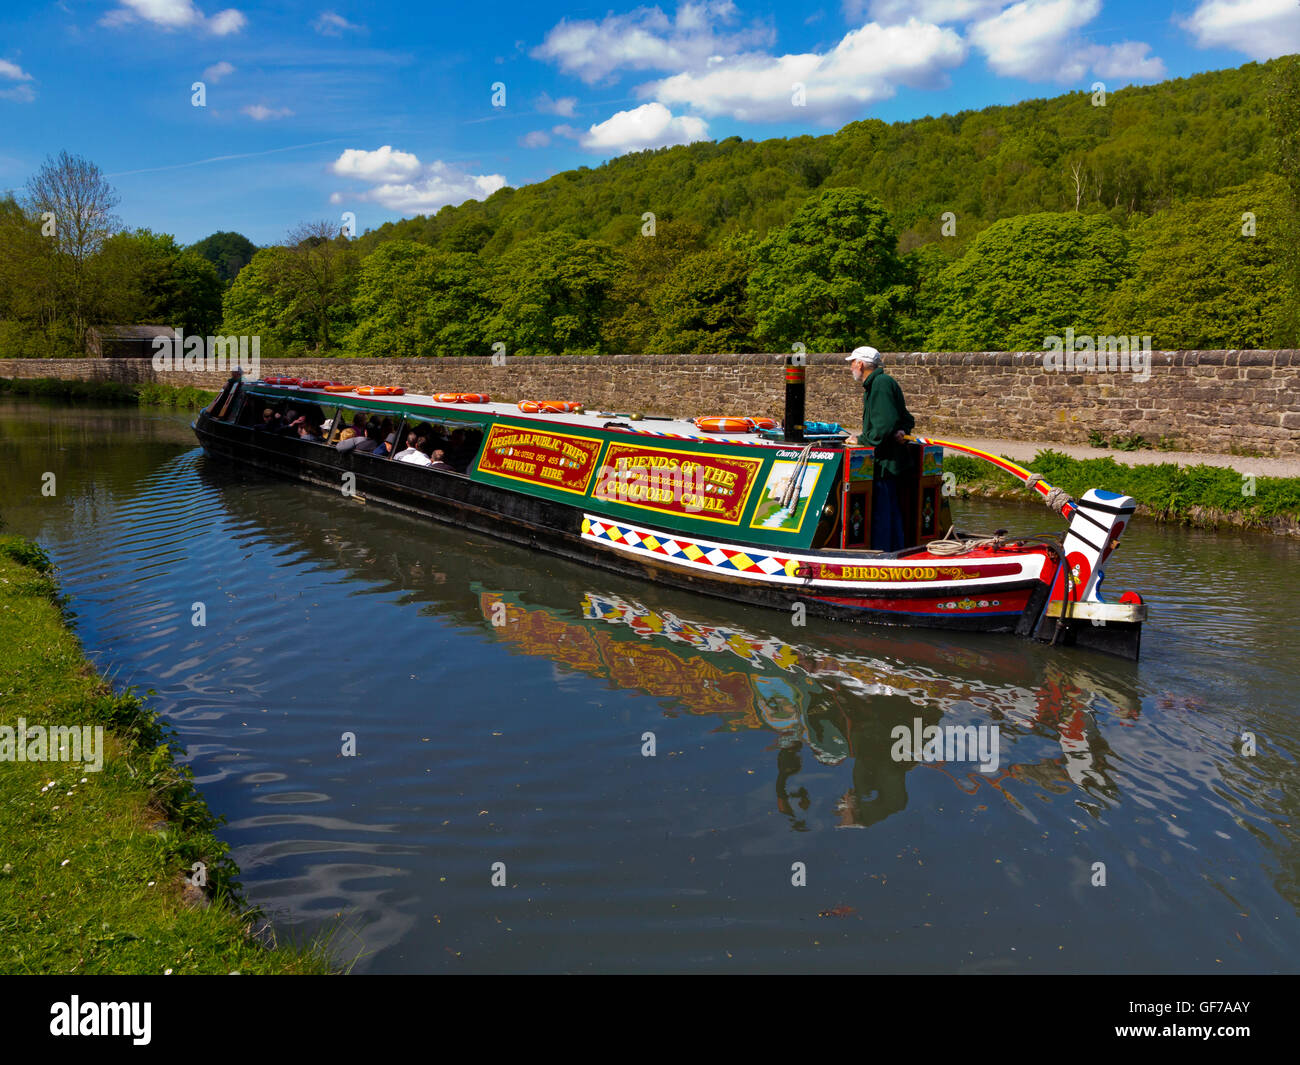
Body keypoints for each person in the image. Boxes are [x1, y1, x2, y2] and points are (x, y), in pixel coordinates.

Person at [844, 346, 914, 552]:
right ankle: (894, 550)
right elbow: (904, 418)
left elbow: (883, 426)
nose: (850, 368)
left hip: (885, 464)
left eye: (852, 363)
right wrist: (902, 428)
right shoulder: (878, 384)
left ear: (861, 364)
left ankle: (885, 556)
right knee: (890, 513)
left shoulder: (881, 384)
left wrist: (862, 440)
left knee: (884, 515)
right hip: (888, 463)